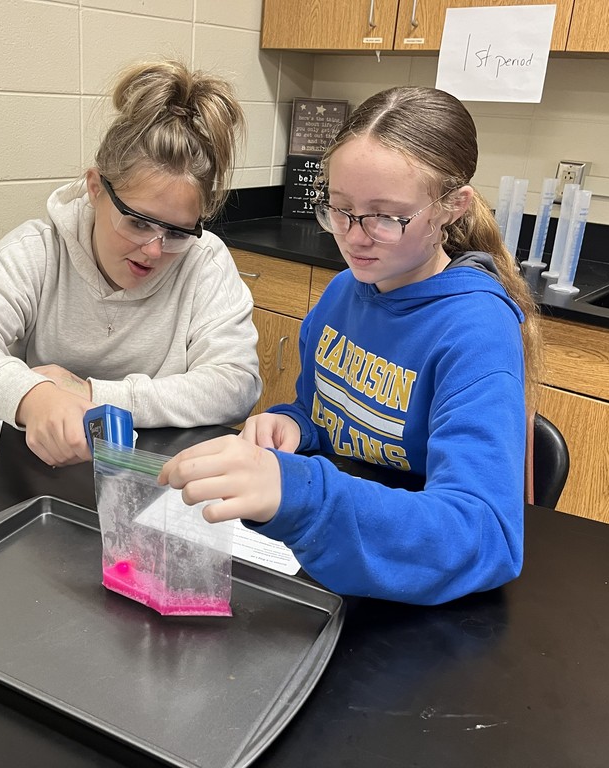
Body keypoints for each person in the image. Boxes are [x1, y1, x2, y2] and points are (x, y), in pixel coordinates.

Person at [158, 86, 544, 605]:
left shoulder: (476, 332)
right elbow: (332, 417)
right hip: (338, 573)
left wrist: (303, 493)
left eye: (386, 216)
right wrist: (294, 423)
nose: (354, 237)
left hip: (417, 599)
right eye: (339, 209)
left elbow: (483, 534)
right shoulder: (345, 292)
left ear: (452, 207)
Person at [0, 60, 260, 467]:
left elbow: (236, 384)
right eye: (137, 222)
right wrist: (34, 397)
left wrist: (92, 396)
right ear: (96, 187)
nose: (154, 250)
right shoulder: (39, 251)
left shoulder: (205, 264)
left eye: (176, 232)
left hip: (157, 480)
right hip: (45, 474)